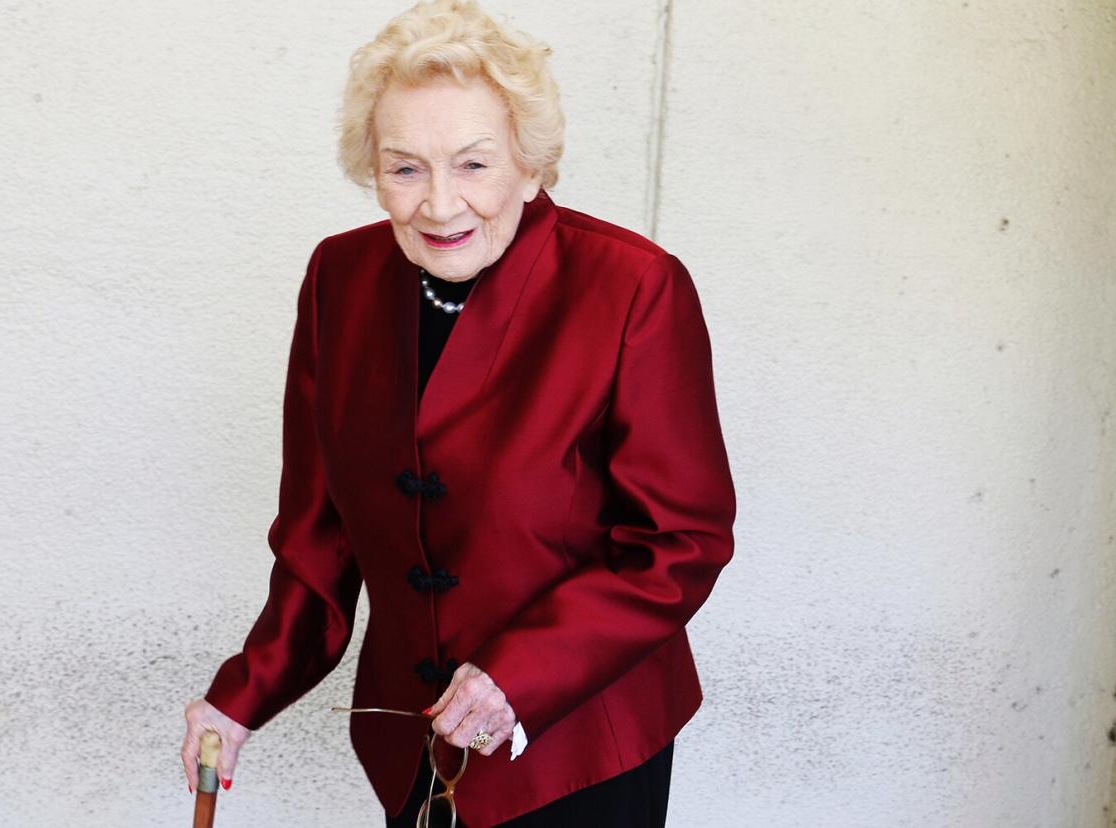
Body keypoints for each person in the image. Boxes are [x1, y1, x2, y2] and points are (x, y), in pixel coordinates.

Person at [179, 1, 736, 825]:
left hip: (579, 748)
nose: (440, 205)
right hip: (410, 739)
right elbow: (319, 533)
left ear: (530, 163)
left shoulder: (632, 289)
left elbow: (680, 542)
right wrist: (242, 696)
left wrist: (521, 673)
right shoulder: (340, 280)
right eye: (405, 169)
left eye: (473, 165)